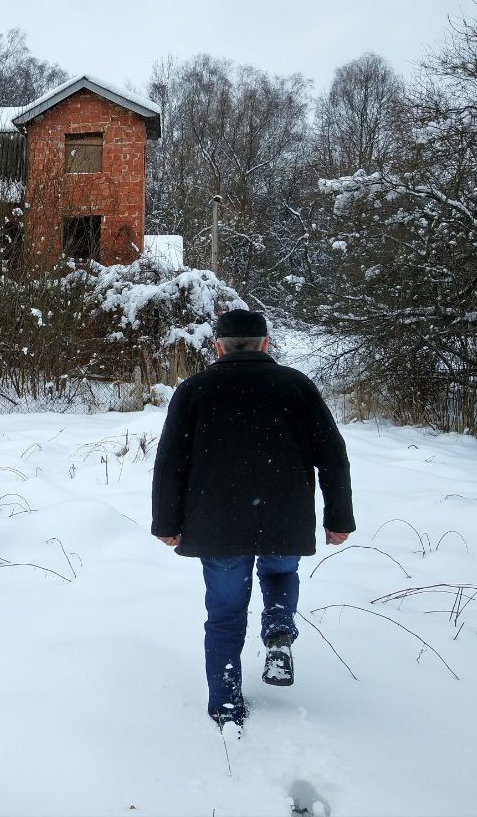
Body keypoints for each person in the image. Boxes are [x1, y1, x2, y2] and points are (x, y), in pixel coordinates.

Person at [150, 308, 354, 729]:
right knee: (280, 574)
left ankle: (226, 704)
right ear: (265, 344)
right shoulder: (296, 386)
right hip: (284, 517)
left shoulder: (196, 389)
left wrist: (166, 523)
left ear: (217, 346)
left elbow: (170, 462)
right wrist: (339, 517)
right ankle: (279, 629)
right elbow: (332, 457)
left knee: (224, 614)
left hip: (217, 524)